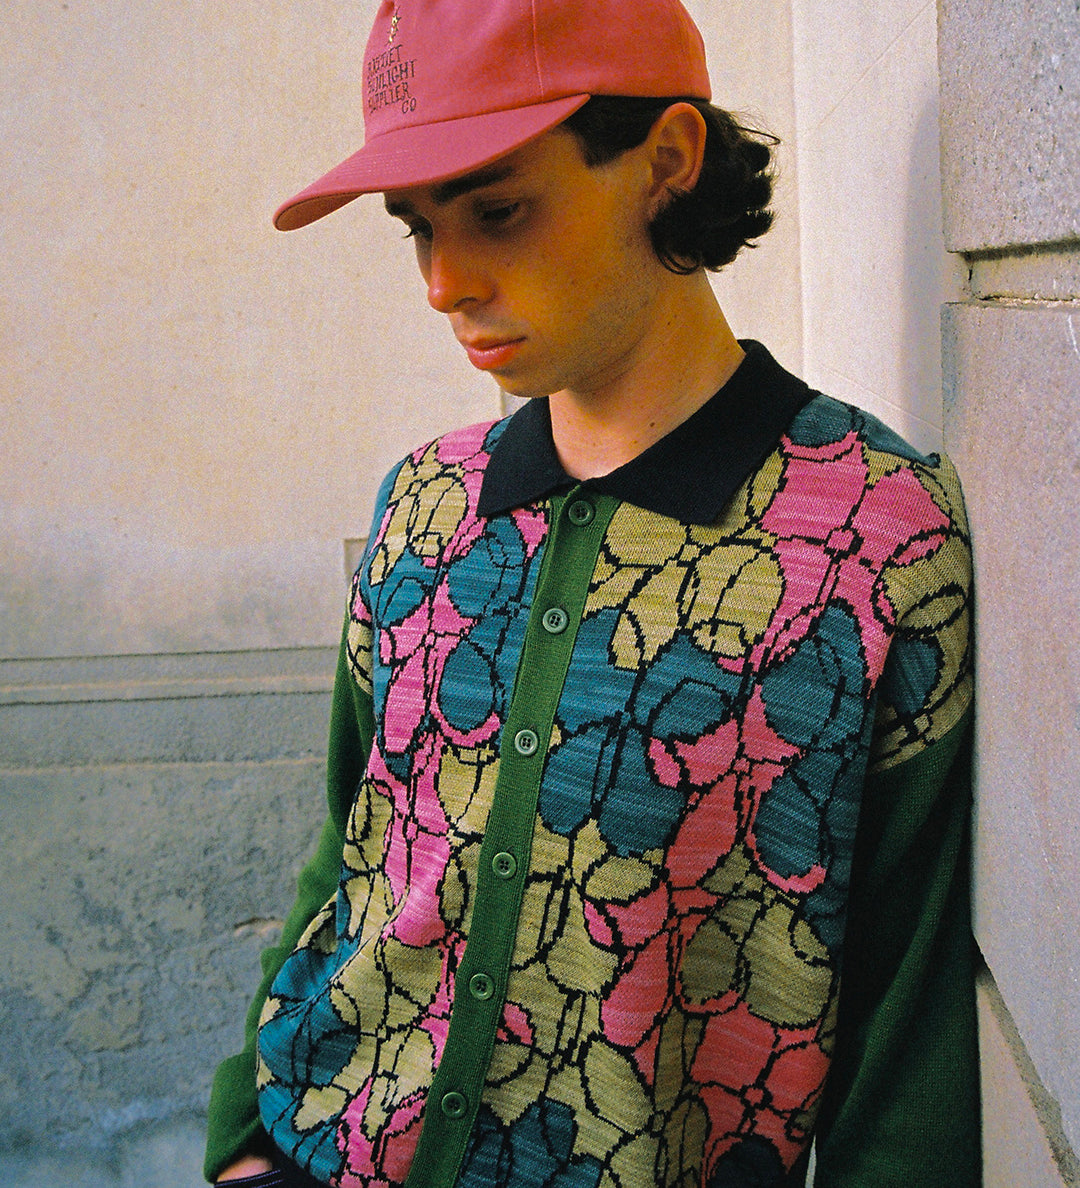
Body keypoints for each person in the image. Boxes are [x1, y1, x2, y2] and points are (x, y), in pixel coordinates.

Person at [205, 1, 981, 1184]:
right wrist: (245, 1140)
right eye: (416, 227)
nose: (443, 282)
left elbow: (906, 1017)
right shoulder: (425, 504)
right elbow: (353, 849)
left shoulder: (877, 537)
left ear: (666, 161)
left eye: (497, 211)